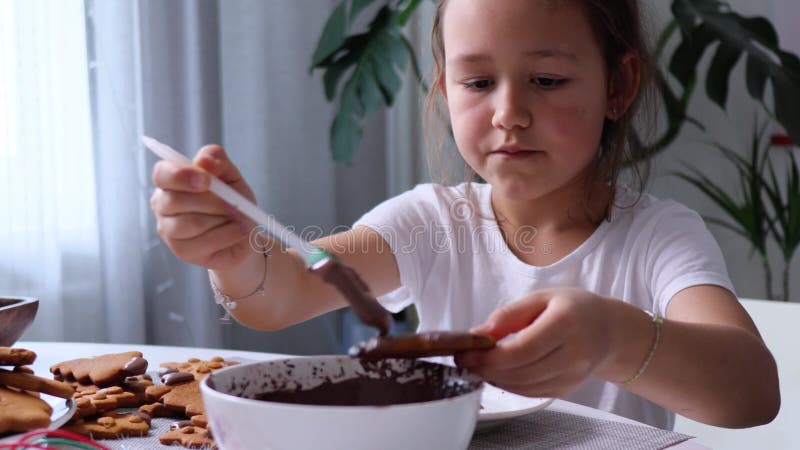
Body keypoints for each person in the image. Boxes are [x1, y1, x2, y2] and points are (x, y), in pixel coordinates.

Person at [150, 0, 779, 430]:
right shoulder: (432, 223)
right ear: (447, 90)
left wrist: (612, 338)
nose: (509, 112)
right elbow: (280, 296)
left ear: (617, 86)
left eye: (548, 80)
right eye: (478, 83)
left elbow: (751, 393)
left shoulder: (657, 238)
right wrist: (233, 254)